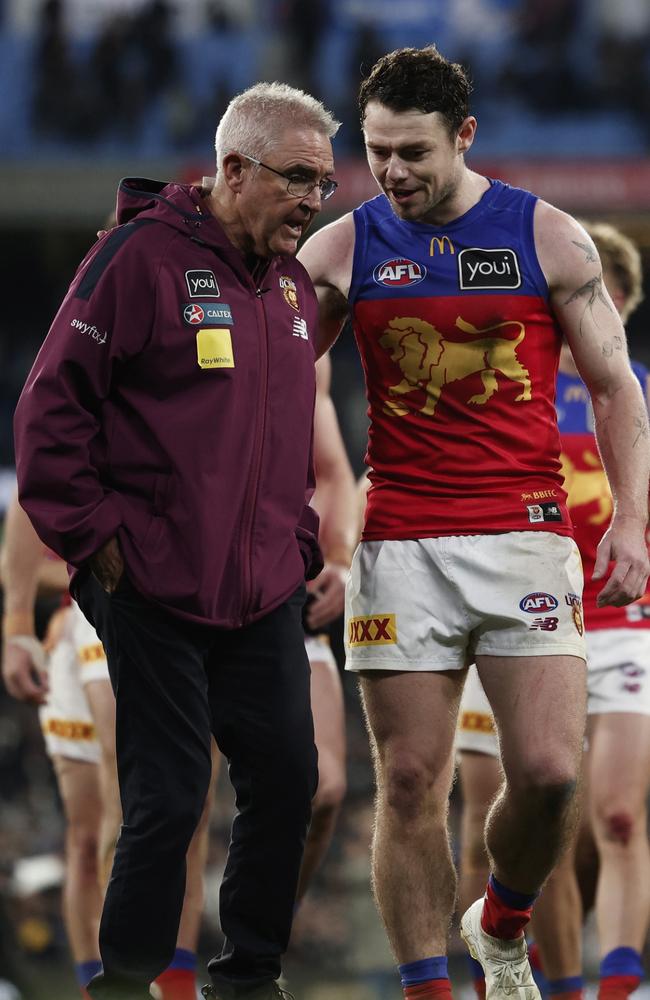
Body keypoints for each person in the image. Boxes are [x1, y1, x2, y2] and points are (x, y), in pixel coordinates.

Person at [298, 45, 650, 1000]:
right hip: (400, 542)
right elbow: (281, 376)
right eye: (375, 152)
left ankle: (501, 920)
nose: (393, 173)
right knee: (410, 783)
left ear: (465, 136)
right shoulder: (342, 247)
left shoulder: (550, 239)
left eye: (413, 151)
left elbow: (616, 389)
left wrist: (630, 523)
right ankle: (428, 988)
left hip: (528, 534)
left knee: (544, 775)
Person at [13, 81, 339, 1000]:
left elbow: (289, 445)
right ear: (234, 169)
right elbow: (48, 413)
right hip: (151, 587)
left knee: (291, 782)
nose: (315, 201)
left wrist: (300, 541)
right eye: (298, 179)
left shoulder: (292, 288)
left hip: (264, 591)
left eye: (325, 184)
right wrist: (97, 542)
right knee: (167, 801)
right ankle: (124, 983)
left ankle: (249, 977)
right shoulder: (136, 258)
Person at [458, 221, 650, 1000]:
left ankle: (620, 982)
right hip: (520, 620)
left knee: (619, 818)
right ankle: (558, 983)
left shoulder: (635, 392)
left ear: (626, 300)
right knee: (547, 828)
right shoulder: (510, 378)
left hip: (620, 624)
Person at [1, 494, 218, 1000]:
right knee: (96, 823)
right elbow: (28, 502)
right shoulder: (83, 421)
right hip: (93, 612)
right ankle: (105, 984)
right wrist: (19, 622)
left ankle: (172, 983)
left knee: (181, 807)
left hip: (181, 604)